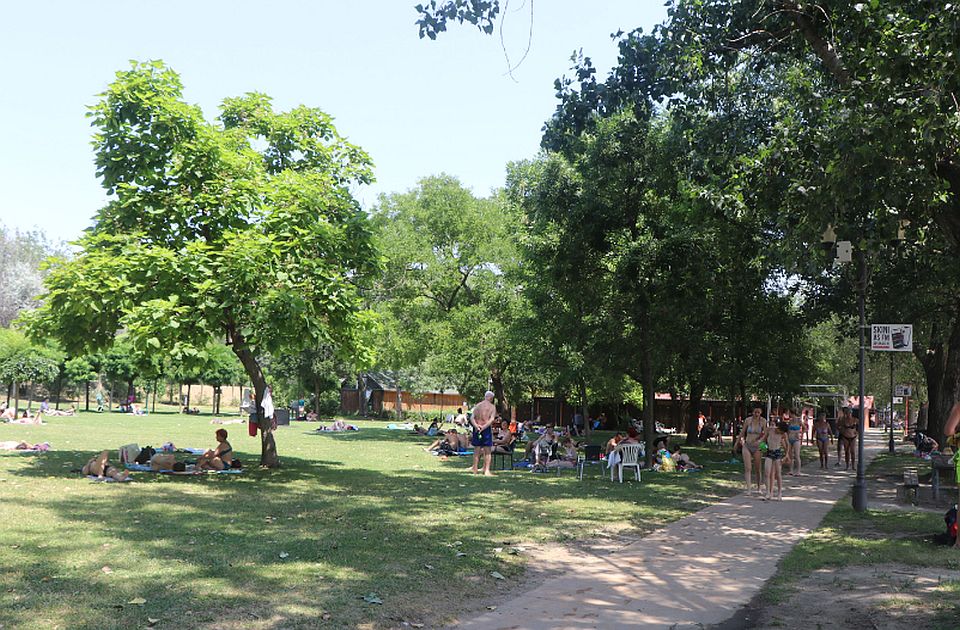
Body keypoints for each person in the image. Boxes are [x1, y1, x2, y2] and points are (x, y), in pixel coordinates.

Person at [737, 406, 766, 494]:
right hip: (747, 445)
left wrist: (762, 444)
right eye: (755, 412)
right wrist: (738, 442)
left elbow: (765, 434)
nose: (756, 414)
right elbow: (742, 432)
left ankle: (759, 487)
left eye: (758, 412)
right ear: (752, 412)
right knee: (748, 468)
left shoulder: (763, 421)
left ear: (760, 412)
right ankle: (749, 489)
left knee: (758, 468)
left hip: (758, 446)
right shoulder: (748, 420)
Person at [468, 391, 497, 476]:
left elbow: (472, 418)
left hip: (477, 428)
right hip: (486, 429)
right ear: (491, 398)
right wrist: (484, 427)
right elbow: (491, 419)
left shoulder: (477, 406)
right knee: (487, 450)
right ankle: (486, 470)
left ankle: (475, 469)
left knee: (476, 450)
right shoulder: (492, 407)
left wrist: (476, 426)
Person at [762, 421, 791, 501]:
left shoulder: (783, 434)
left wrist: (786, 455)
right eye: (780, 431)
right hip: (769, 452)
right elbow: (764, 440)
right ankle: (768, 492)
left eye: (782, 432)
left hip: (777, 452)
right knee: (767, 472)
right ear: (778, 428)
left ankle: (779, 493)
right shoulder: (770, 430)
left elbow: (787, 444)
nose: (780, 433)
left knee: (778, 474)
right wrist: (763, 448)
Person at [785, 409, 803, 476]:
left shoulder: (799, 421)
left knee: (797, 455)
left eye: (789, 413)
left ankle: (798, 471)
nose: (789, 414)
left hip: (796, 439)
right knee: (790, 455)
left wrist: (799, 433)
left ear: (792, 413)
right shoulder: (790, 421)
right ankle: (791, 470)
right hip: (790, 438)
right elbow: (787, 430)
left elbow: (805, 428)